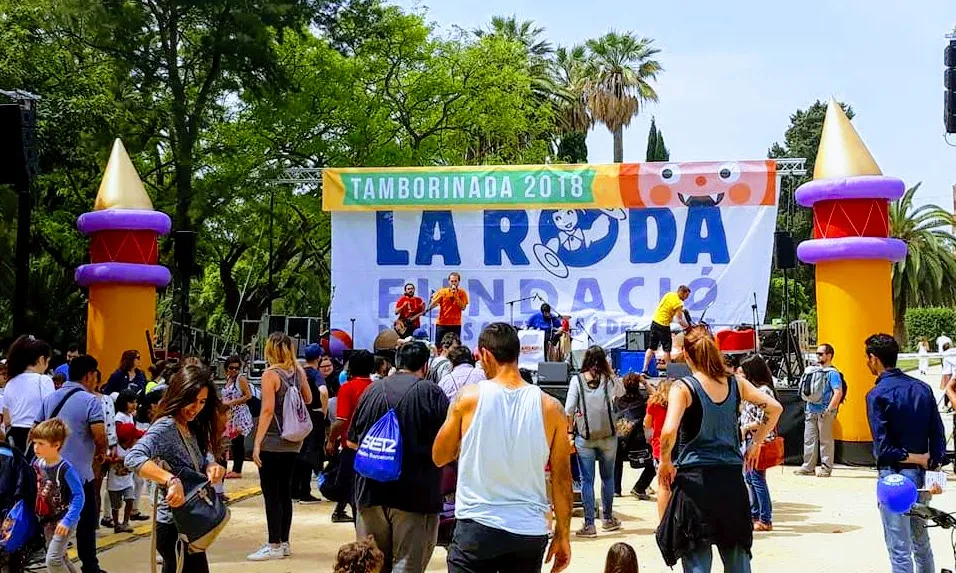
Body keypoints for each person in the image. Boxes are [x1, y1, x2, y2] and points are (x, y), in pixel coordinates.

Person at [434, 323, 572, 573]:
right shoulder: (551, 408)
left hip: (476, 527)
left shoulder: (467, 399)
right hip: (528, 530)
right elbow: (562, 479)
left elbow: (439, 456)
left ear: (485, 354)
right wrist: (563, 534)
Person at [656, 325, 782, 572]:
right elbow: (774, 407)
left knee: (697, 560)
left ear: (688, 356)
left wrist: (665, 461)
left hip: (695, 483)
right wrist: (756, 442)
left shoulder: (683, 388)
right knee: (738, 560)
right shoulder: (736, 383)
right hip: (731, 483)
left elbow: (669, 430)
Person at [347, 342, 449, 573]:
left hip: (370, 493)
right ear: (425, 366)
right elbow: (448, 444)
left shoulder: (372, 390)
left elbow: (352, 442)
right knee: (407, 566)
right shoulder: (430, 392)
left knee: (371, 565)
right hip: (415, 496)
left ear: (395, 363)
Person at [126, 365, 226, 573]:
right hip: (174, 526)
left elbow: (198, 458)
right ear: (179, 394)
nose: (195, 408)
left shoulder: (191, 426)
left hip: (191, 524)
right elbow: (133, 457)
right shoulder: (166, 427)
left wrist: (212, 465)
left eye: (202, 402)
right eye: (192, 400)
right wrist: (170, 480)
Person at [865, 333, 946, 573]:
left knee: (899, 548)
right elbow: (937, 433)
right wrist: (931, 464)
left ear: (874, 358)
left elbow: (884, 448)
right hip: (922, 476)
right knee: (921, 543)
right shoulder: (922, 388)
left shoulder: (876, 395)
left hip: (894, 478)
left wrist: (915, 458)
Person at [36, 355, 107, 573]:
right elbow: (99, 435)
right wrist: (101, 454)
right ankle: (90, 567)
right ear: (89, 375)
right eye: (95, 374)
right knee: (86, 523)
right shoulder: (90, 401)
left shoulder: (50, 398)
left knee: (54, 520)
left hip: (51, 475)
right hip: (79, 474)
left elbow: (37, 427)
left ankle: (62, 560)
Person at [248, 333, 313, 561]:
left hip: (273, 441)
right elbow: (308, 399)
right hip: (293, 441)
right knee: (285, 493)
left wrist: (257, 443)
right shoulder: (298, 371)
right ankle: (284, 541)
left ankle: (273, 543)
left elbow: (267, 410)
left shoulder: (270, 375)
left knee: (271, 494)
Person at [564, 345, 621, 537]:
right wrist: (610, 371)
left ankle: (589, 524)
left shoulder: (577, 380)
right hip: (608, 437)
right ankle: (607, 518)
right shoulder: (609, 380)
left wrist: (570, 432)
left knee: (586, 480)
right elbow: (621, 393)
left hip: (585, 437)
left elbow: (569, 409)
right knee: (608, 477)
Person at [30, 419, 86, 573]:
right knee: (61, 557)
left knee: (53, 559)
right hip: (47, 520)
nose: (36, 447)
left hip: (64, 519)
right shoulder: (36, 464)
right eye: (35, 443)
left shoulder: (65, 468)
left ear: (56, 445)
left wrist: (67, 520)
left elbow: (79, 495)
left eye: (41, 443)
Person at [326, 350, 375, 524]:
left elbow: (340, 421)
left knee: (349, 490)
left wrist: (331, 440)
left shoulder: (347, 388)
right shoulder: (376, 387)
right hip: (373, 448)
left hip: (351, 447)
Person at [736, 354, 777, 532]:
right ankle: (754, 514)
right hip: (748, 439)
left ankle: (765, 518)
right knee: (750, 479)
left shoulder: (764, 392)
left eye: (742, 373)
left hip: (757, 440)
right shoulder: (750, 390)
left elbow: (763, 420)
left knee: (757, 479)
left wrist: (746, 428)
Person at [795, 343, 843, 478]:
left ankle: (826, 468)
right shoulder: (813, 370)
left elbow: (838, 392)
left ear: (829, 355)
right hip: (810, 409)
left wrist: (829, 409)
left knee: (825, 440)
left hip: (824, 411)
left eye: (821, 354)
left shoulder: (833, 373)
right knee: (809, 439)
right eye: (817, 353)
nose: (818, 356)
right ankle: (808, 467)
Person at [4, 335, 55, 451]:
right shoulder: (43, 380)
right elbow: (50, 412)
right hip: (37, 436)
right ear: (42, 360)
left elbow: (7, 419)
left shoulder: (10, 382)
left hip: (13, 437)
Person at [296, 345, 329, 503]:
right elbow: (323, 391)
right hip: (313, 415)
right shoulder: (316, 374)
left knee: (298, 451)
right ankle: (304, 491)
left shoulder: (299, 373)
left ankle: (294, 491)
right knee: (311, 452)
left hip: (298, 415)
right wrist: (323, 410)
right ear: (319, 358)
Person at [615, 374, 653, 500]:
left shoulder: (617, 400)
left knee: (617, 462)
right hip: (637, 442)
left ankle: (616, 489)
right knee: (652, 466)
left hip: (620, 438)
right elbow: (657, 395)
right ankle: (639, 487)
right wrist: (645, 382)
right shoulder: (644, 400)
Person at [643, 286, 691, 375]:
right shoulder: (678, 303)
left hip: (654, 322)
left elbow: (667, 308)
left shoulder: (669, 295)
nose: (686, 298)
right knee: (667, 349)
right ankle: (671, 373)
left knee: (651, 347)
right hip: (663, 325)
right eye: (686, 296)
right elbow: (680, 320)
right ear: (683, 293)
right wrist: (688, 327)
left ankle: (644, 370)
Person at [221, 355, 254, 480]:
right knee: (231, 442)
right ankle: (234, 468)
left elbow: (248, 396)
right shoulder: (228, 379)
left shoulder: (240, 379)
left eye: (237, 368)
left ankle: (237, 469)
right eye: (231, 368)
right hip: (230, 415)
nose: (234, 370)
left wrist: (232, 402)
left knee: (238, 442)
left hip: (240, 415)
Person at [107, 422, 142, 533]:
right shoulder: (115, 448)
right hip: (114, 484)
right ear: (129, 439)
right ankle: (117, 524)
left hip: (127, 482)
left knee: (130, 500)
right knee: (116, 506)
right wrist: (117, 459)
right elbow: (107, 458)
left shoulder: (133, 450)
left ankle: (126, 522)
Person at [644, 379, 672, 517]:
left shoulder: (653, 404)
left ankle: (663, 522)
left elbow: (647, 425)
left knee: (662, 485)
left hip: (658, 447)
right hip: (676, 447)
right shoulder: (677, 404)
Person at [425, 272, 469, 343]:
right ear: (449, 281)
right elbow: (431, 306)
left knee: (455, 346)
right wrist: (436, 298)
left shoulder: (462, 293)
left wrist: (456, 296)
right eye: (452, 281)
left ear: (458, 282)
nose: (453, 283)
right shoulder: (442, 291)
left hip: (455, 324)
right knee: (439, 345)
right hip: (442, 324)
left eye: (455, 281)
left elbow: (463, 307)